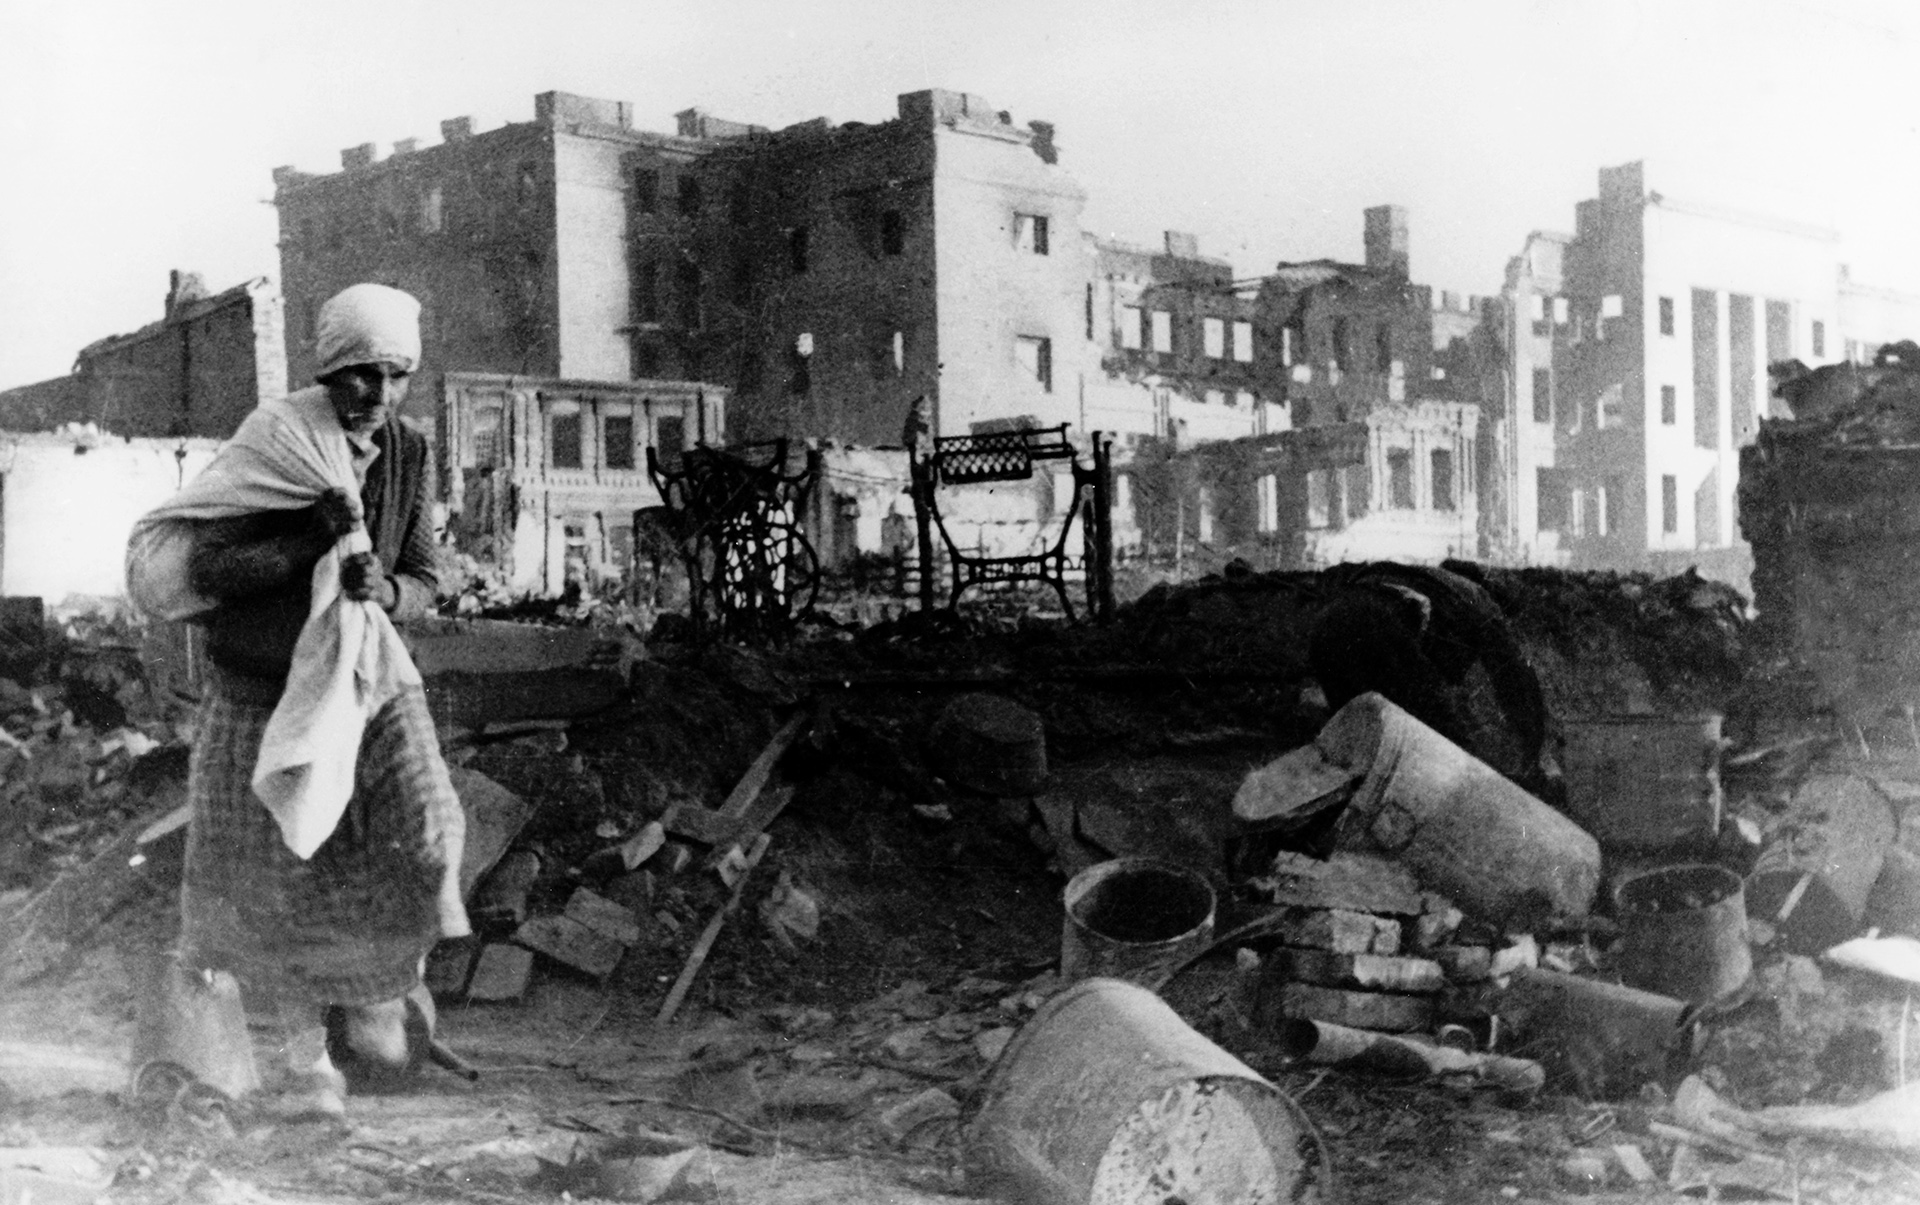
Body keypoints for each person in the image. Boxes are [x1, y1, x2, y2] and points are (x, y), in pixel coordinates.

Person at [134, 283, 466, 1120]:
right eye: (360, 375)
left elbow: (427, 575)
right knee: (260, 878)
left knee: (429, 829)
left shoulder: (410, 451)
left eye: (396, 376)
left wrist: (386, 587)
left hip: (363, 676)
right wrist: (304, 541)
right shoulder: (279, 437)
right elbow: (209, 573)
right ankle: (302, 1056)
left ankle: (379, 991)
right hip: (257, 688)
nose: (378, 396)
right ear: (329, 370)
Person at [1307, 559, 1564, 807]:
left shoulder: (1423, 583)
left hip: (1325, 626)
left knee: (1359, 748)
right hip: (1374, 622)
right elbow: (1515, 678)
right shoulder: (1476, 597)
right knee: (1443, 741)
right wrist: (1536, 756)